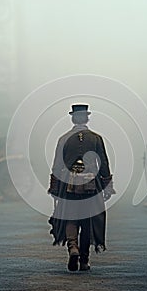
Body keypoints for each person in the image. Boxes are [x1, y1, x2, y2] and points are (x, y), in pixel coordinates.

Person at [48, 104, 115, 271]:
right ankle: (84, 260)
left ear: (73, 118)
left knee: (70, 217)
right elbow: (104, 164)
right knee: (88, 220)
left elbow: (57, 166)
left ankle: (73, 248)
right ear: (86, 118)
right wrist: (107, 185)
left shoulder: (63, 138)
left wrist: (55, 188)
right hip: (91, 185)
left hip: (68, 184)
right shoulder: (96, 138)